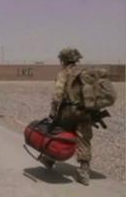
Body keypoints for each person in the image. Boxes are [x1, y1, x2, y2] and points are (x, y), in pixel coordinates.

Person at [46, 47, 92, 185]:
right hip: (85, 112)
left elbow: (57, 95)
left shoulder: (64, 73)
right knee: (84, 140)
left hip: (68, 111)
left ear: (63, 60)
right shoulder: (84, 73)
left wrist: (53, 112)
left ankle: (50, 159)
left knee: (57, 131)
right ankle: (84, 172)